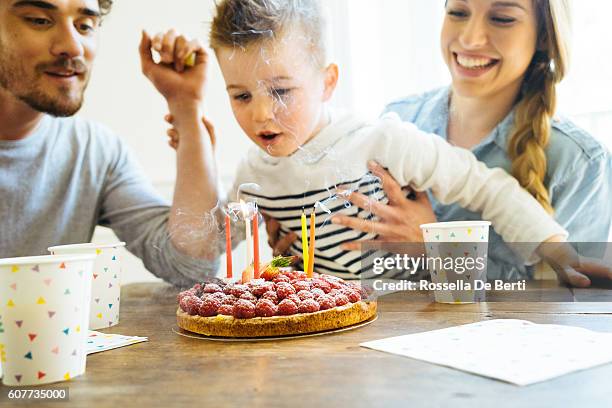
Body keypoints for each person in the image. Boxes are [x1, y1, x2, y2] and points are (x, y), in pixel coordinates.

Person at [163, 0, 585, 281]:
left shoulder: (381, 140)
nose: (260, 114)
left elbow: (485, 186)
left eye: (281, 91)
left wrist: (559, 254)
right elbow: (202, 244)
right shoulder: (253, 173)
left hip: (414, 327)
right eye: (240, 96)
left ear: (327, 83)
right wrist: (193, 141)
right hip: (332, 349)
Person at [327, 0, 612, 285]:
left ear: (544, 36)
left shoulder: (581, 162)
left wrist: (435, 248)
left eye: (502, 18)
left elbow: (566, 305)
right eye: (458, 13)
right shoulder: (399, 119)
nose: (469, 38)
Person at [0, 0, 218, 287]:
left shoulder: (94, 151)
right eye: (39, 20)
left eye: (85, 26)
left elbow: (190, 267)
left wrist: (186, 107)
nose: (73, 46)